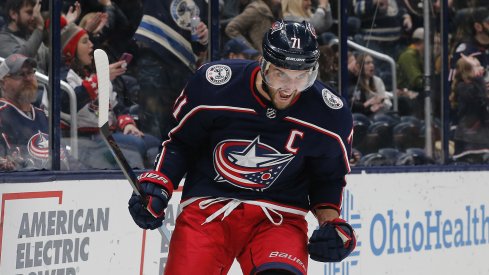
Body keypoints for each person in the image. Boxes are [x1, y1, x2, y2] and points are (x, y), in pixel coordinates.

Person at [128, 21, 357, 274]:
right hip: (208, 208)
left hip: (280, 217)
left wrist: (333, 225)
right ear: (264, 62)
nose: (289, 88)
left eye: (301, 77)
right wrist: (160, 184)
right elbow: (180, 143)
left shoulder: (330, 114)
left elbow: (328, 178)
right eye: (280, 73)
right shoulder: (214, 85)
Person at [60, 23, 159, 169]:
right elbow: (67, 103)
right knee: (137, 146)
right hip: (83, 137)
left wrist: (128, 124)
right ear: (71, 48)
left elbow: (117, 106)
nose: (91, 45)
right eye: (85, 41)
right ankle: (136, 187)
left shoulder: (93, 75)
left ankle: (153, 183)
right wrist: (100, 79)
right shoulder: (63, 77)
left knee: (154, 143)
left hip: (105, 134)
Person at [133, 0, 209, 139]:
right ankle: (154, 159)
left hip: (183, 68)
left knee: (180, 124)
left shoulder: (203, 3)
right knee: (154, 124)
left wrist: (203, 37)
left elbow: (198, 47)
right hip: (153, 59)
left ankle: (172, 159)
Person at [0, 54, 78, 171]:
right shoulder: (2, 116)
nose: (28, 78)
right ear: (2, 83)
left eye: (31, 73)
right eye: (20, 74)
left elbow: (66, 159)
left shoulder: (44, 116)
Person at [450, 54, 489, 162]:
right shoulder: (463, 88)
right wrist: (480, 81)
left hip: (482, 138)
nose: (481, 68)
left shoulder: (480, 85)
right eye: (477, 66)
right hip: (469, 141)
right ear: (467, 72)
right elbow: (478, 101)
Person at [0, 0, 49, 74]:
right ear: (13, 14)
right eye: (29, 13)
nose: (34, 17)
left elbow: (56, 62)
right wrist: (39, 28)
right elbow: (19, 61)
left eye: (36, 13)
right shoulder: (2, 39)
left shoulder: (34, 37)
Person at [350, 53, 393, 117]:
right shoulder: (354, 82)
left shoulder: (378, 81)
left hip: (380, 113)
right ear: (359, 66)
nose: (372, 65)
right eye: (367, 63)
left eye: (372, 62)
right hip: (363, 115)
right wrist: (372, 101)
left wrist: (382, 102)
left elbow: (387, 103)